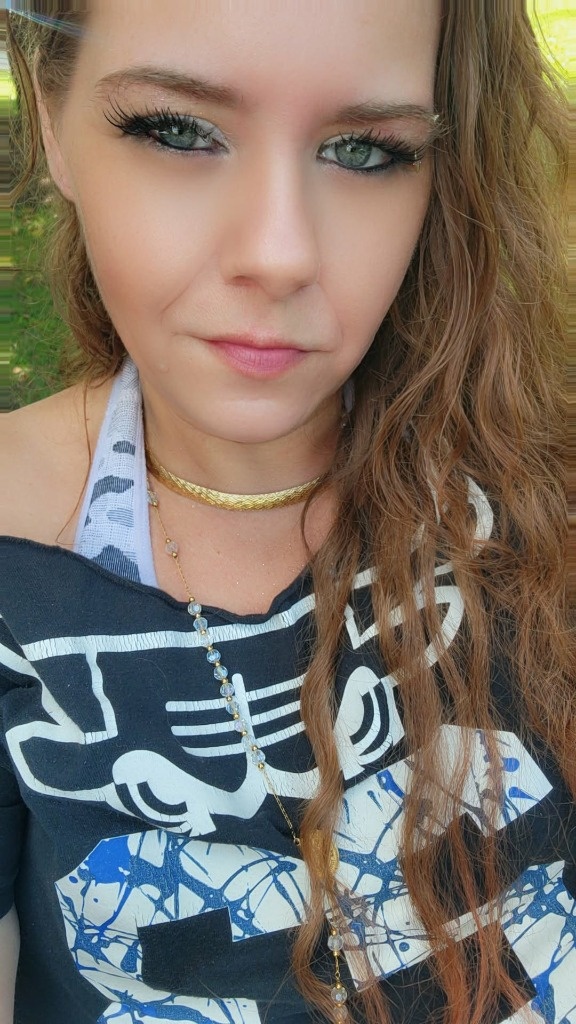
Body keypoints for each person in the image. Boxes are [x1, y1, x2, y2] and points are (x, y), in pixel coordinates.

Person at [1, 2, 574, 1022]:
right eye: (178, 129)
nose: (279, 254)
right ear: (52, 121)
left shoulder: (541, 494)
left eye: (365, 149)